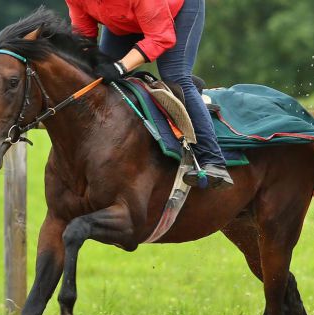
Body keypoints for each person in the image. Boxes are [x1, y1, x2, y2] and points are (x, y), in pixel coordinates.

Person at [66, 0, 233, 190]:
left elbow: (161, 37)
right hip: (126, 21)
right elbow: (84, 37)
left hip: (176, 10)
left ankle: (213, 160)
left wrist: (120, 67)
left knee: (175, 75)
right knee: (96, 77)